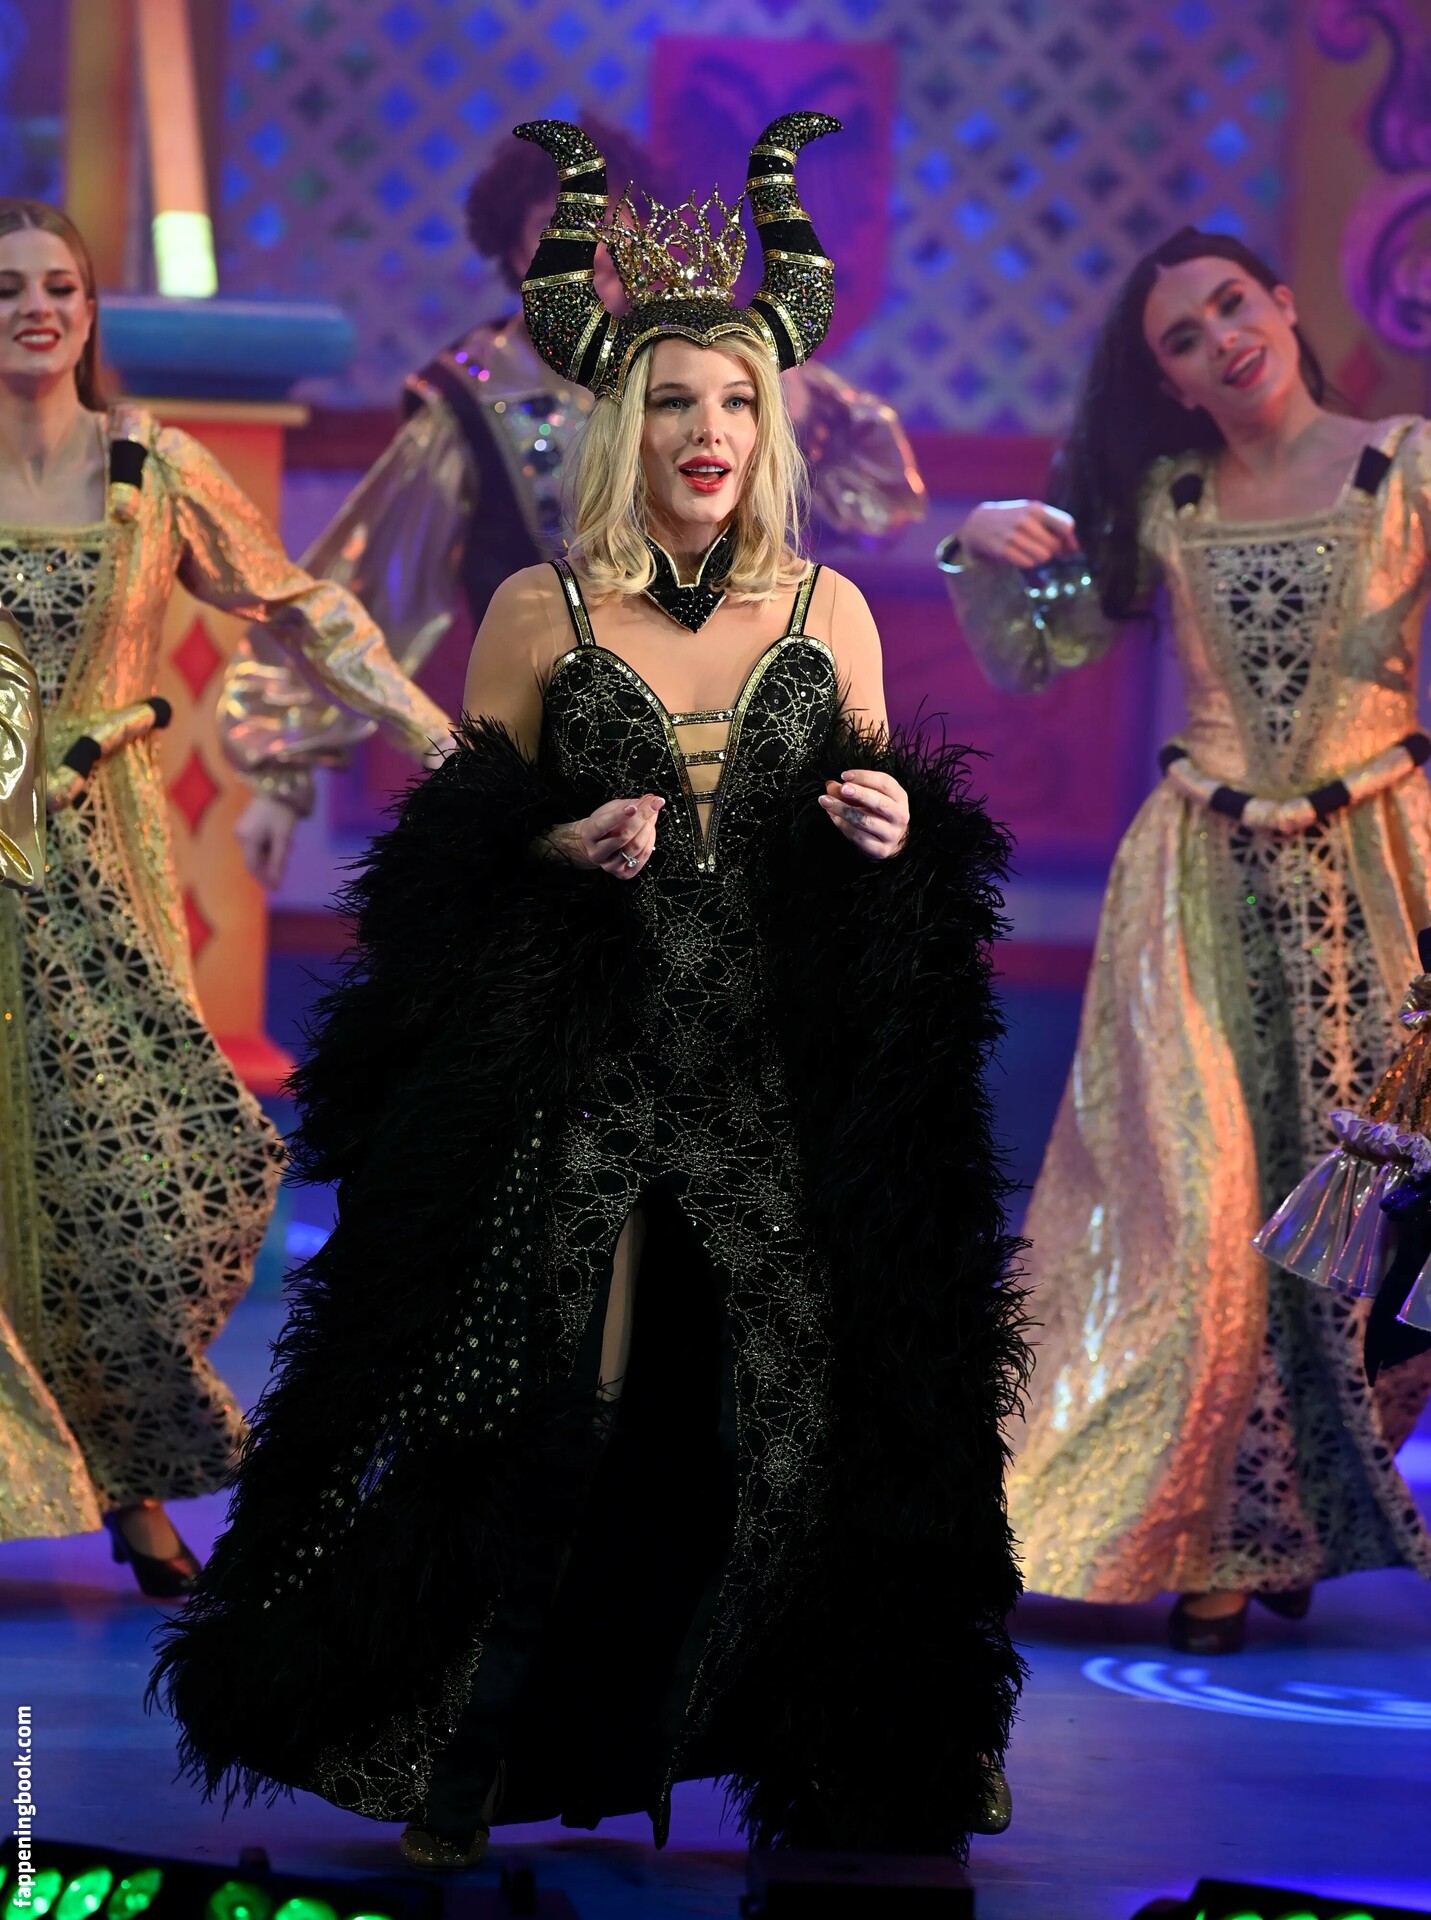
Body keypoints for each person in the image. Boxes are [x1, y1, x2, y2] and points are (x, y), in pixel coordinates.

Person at [152, 114, 1026, 1865]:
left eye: (736, 402)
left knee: (802, 1413)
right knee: (551, 1411)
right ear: (627, 424)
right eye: (676, 401)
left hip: (769, 1074)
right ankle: (464, 1765)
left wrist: (892, 830)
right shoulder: (539, 614)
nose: (709, 431)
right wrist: (554, 842)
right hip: (591, 1072)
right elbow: (450, 857)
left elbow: (888, 858)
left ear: (768, 425)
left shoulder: (830, 611)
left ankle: (839, 1753)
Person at [940, 225, 1431, 1654]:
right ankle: (1201, 1540)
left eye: (1231, 305)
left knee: (1360, 1225)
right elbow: (1037, 646)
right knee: (1202, 1219)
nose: (1221, 337)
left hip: (1376, 872)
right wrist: (972, 538)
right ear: (1166, 380)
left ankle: (1282, 1514)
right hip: (1195, 885)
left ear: (1279, 301)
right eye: (1182, 335)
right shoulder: (1166, 498)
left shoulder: (1402, 464)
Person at [0, 200, 452, 1594]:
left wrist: (436, 737)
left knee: (160, 1165)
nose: (34, 308)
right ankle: (112, 1500)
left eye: (59, 285)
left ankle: (128, 1465)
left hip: (106, 864)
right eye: (6, 287)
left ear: (91, 309)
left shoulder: (155, 465)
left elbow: (304, 608)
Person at [221, 116, 926, 891]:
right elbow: (364, 583)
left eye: (612, 233)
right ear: (516, 253)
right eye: (561, 233)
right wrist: (280, 766)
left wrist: (769, 390)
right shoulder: (470, 402)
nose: (596, 257)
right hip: (564, 760)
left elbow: (879, 495)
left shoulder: (723, 368)